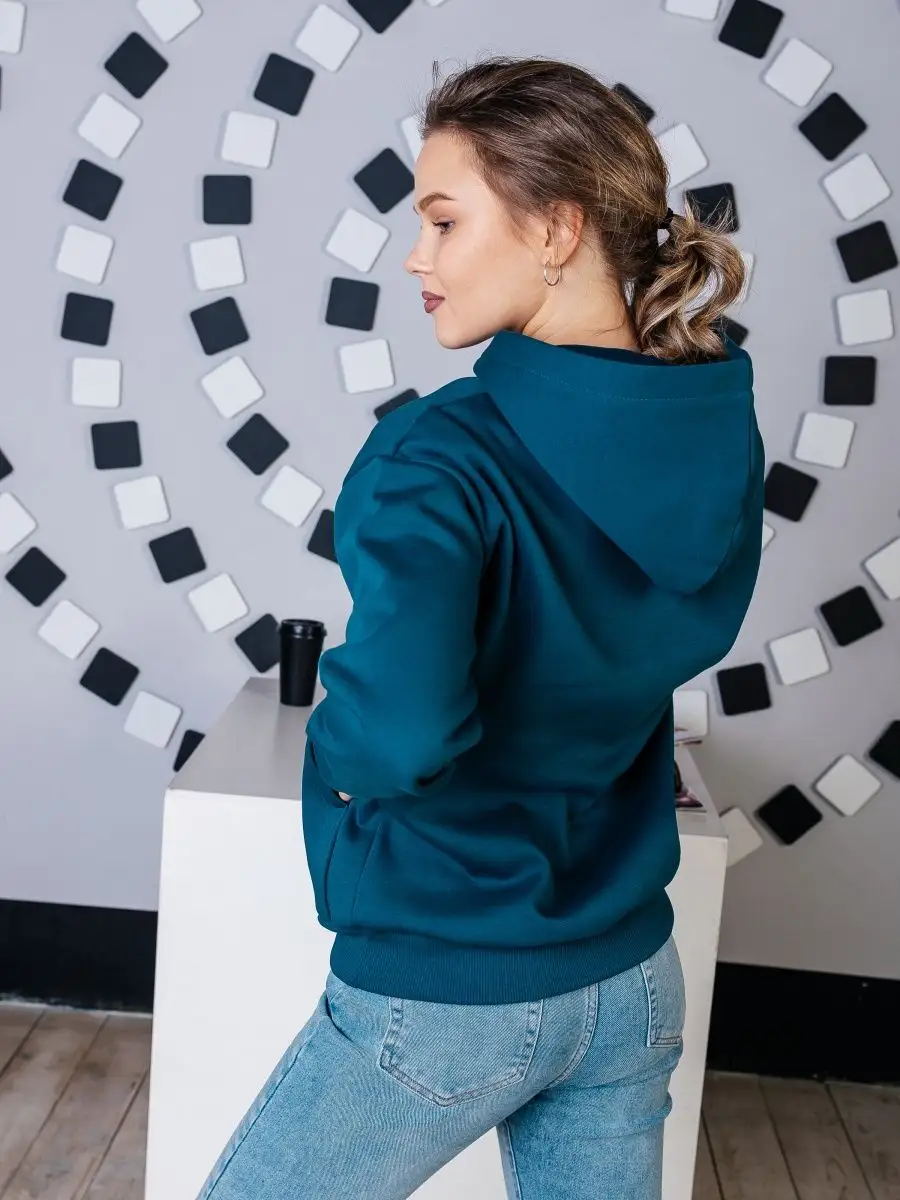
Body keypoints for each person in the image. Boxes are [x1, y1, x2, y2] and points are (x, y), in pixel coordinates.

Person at [198, 55, 764, 1200]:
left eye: (445, 221)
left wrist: (339, 771)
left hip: (448, 985)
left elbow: (398, 733)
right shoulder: (717, 431)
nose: (417, 256)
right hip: (630, 978)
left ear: (557, 228)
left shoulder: (436, 458)